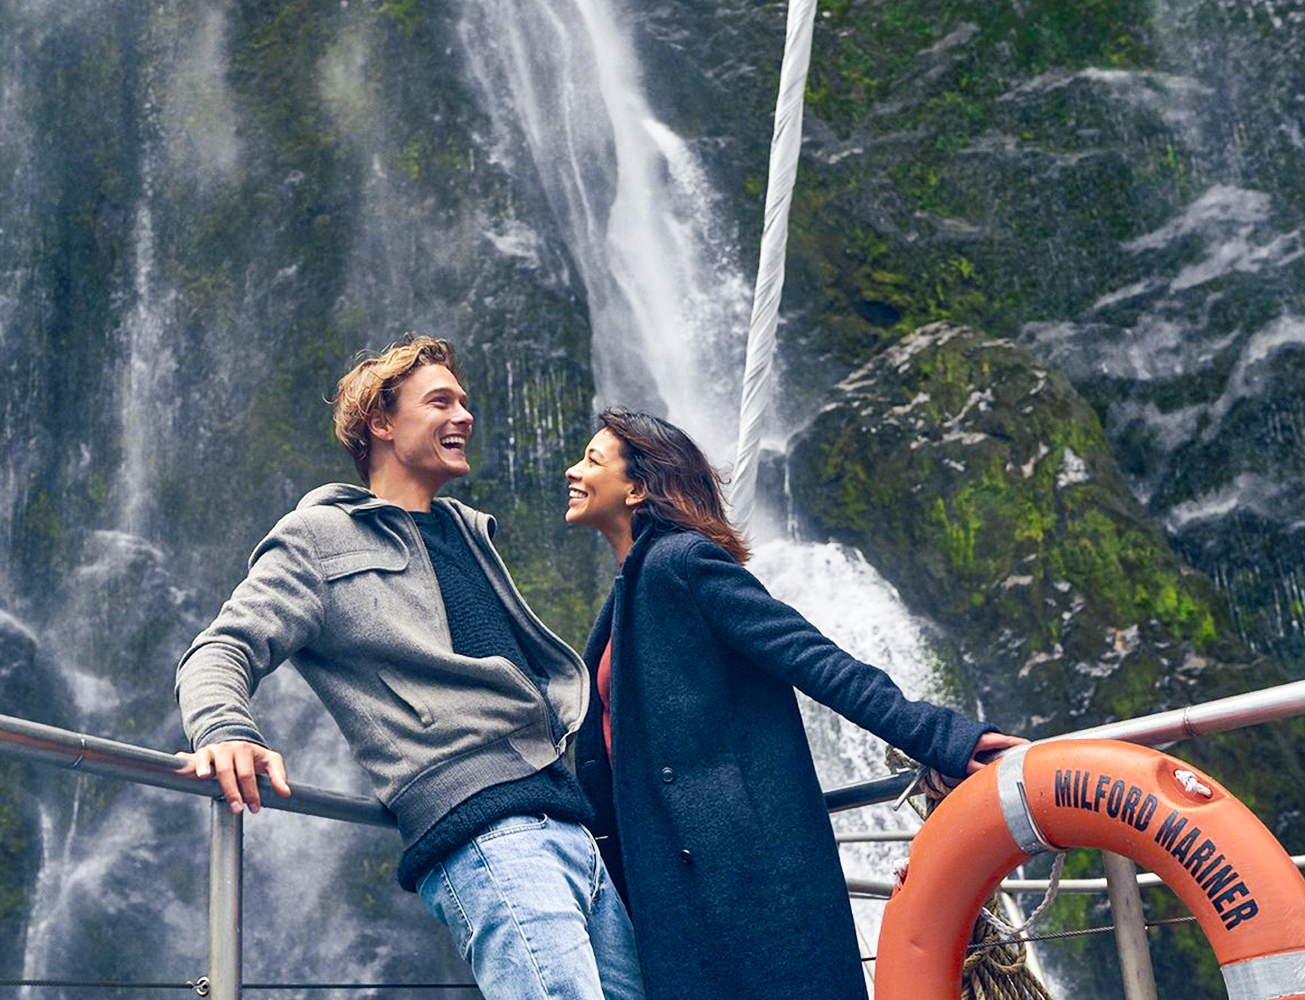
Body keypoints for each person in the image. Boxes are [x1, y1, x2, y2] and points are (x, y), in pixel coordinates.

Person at [174, 336, 646, 1000]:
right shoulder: (318, 538)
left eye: (466, 402)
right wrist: (227, 731)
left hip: (569, 823)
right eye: (441, 401)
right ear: (383, 423)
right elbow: (220, 649)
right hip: (487, 832)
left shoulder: (465, 532)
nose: (464, 416)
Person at [561, 408, 1026, 1000]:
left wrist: (941, 738)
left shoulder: (684, 563)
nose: (574, 472)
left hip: (743, 882)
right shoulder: (626, 595)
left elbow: (813, 659)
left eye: (592, 461)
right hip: (675, 887)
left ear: (638, 486)